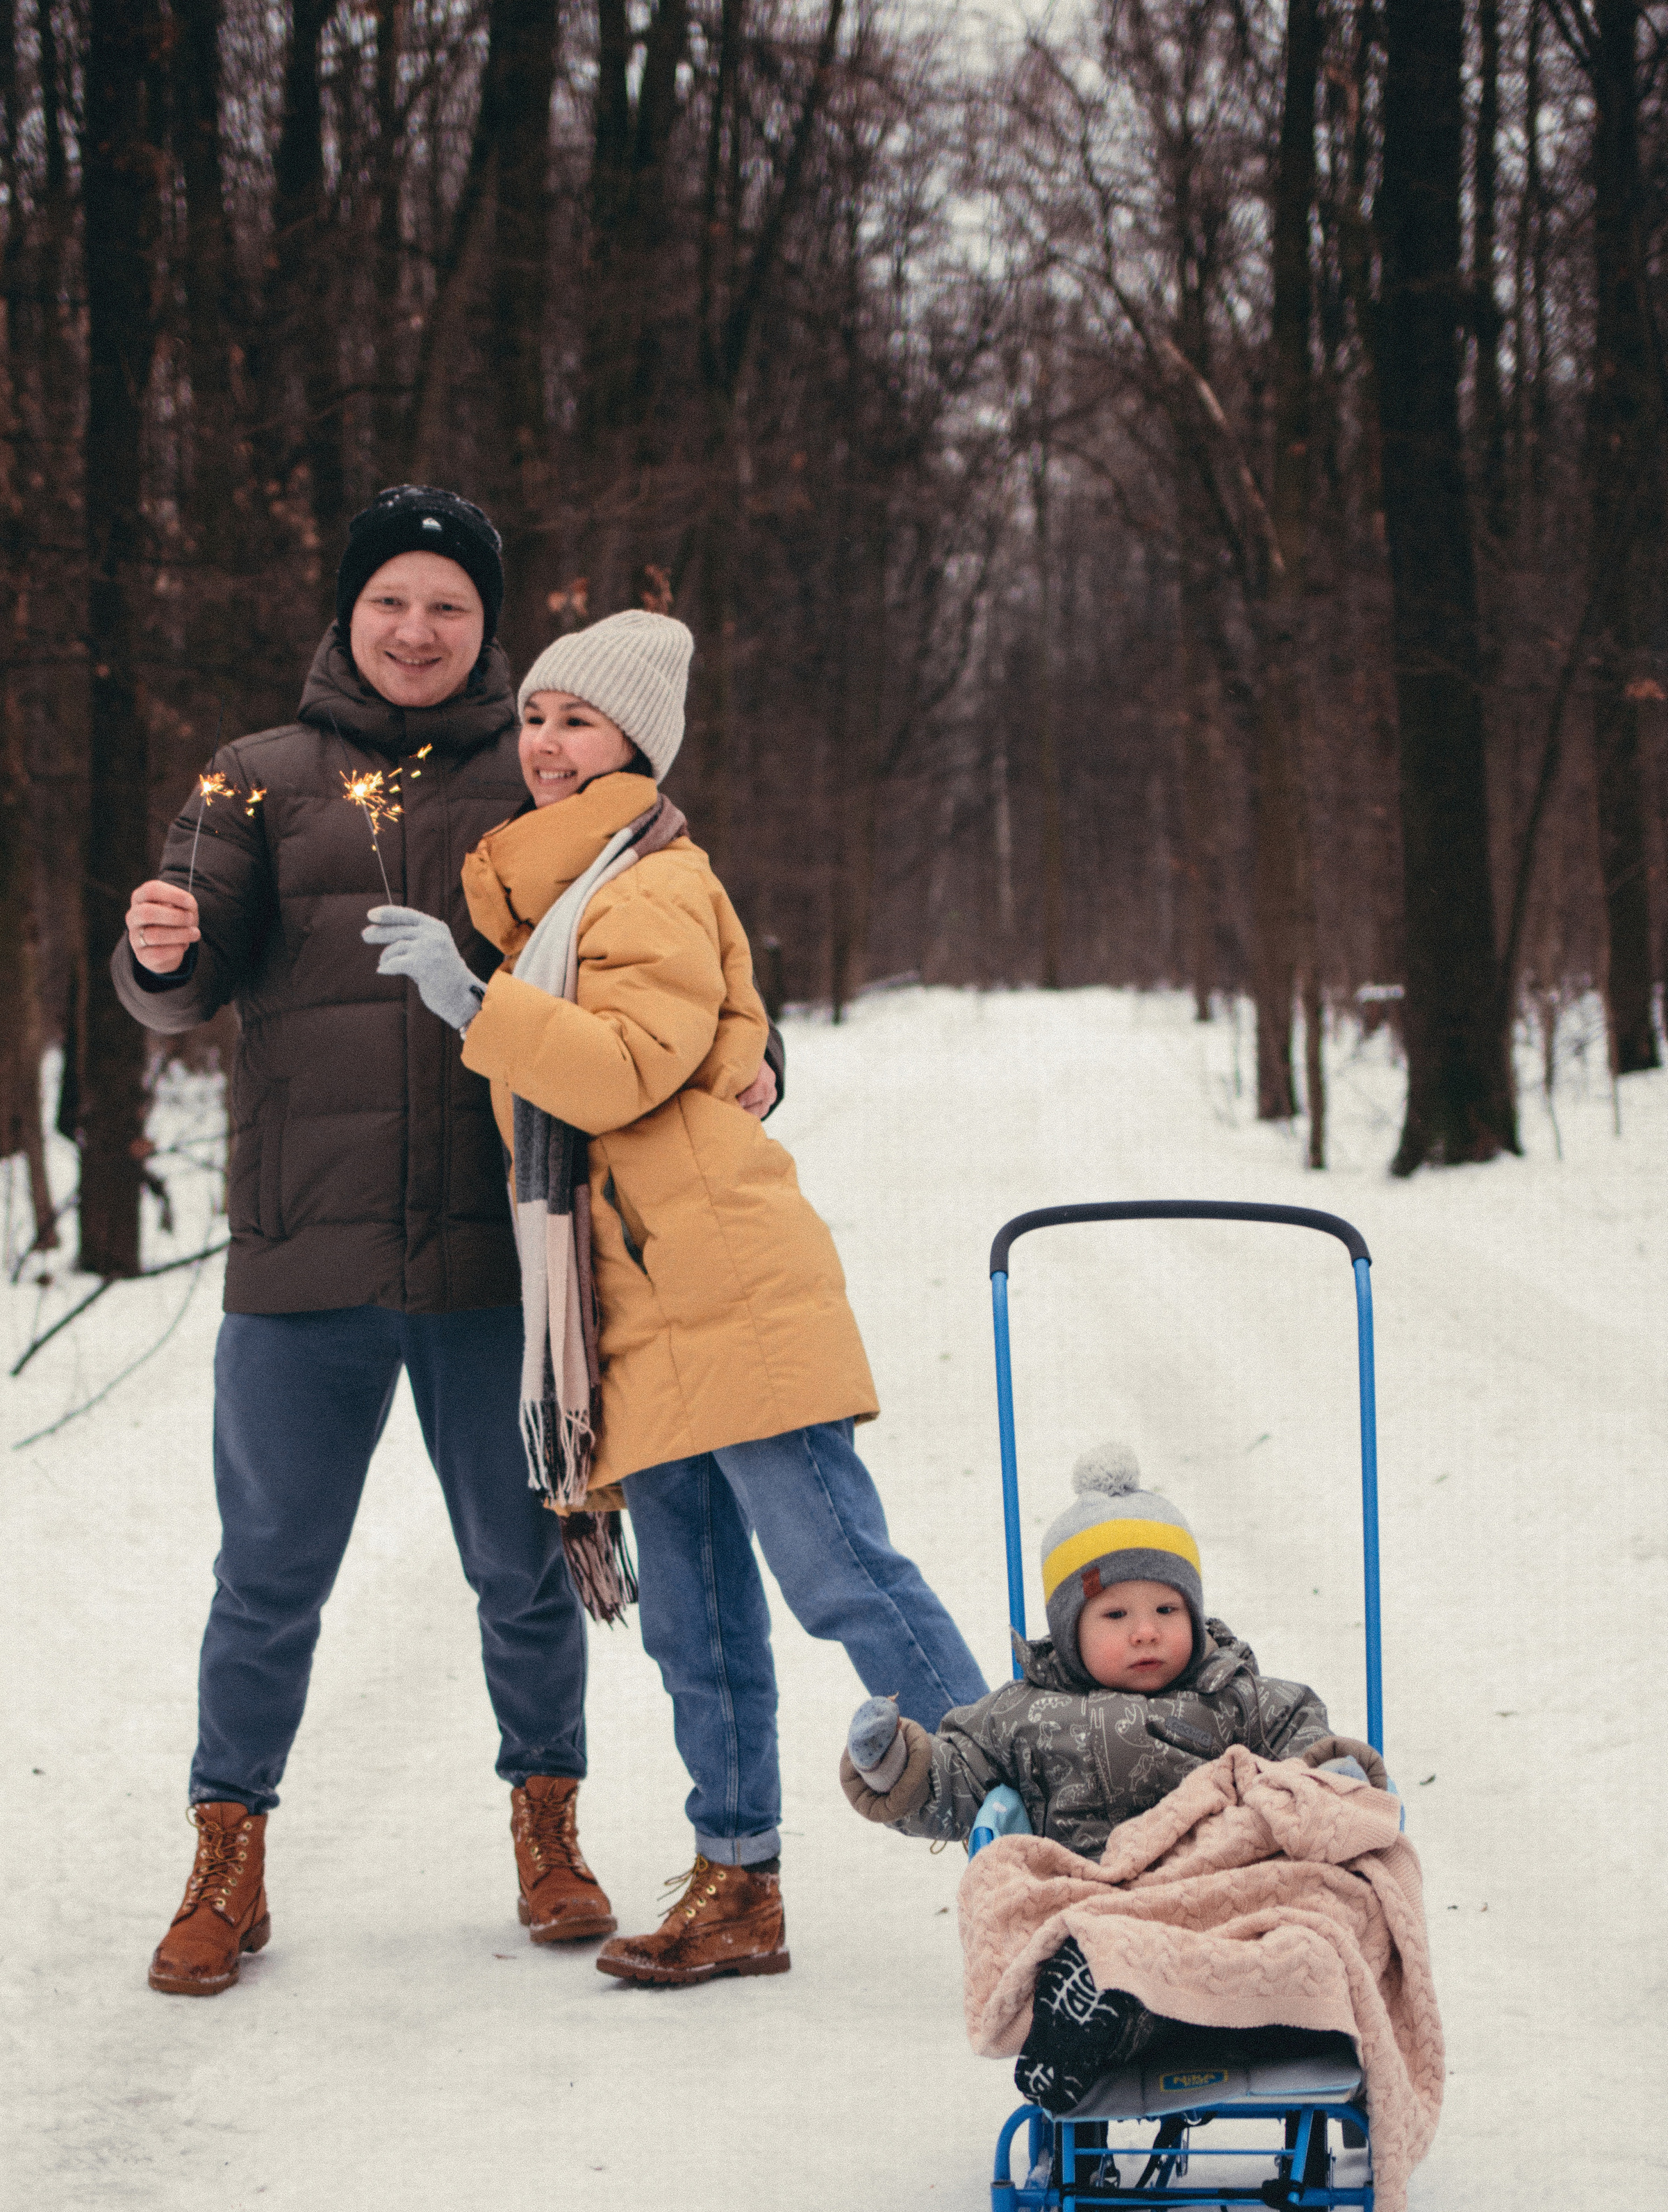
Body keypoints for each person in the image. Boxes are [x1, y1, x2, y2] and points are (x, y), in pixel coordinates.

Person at [115, 487, 779, 1999]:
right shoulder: (253, 779)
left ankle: (547, 1823)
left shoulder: (547, 772)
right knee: (269, 1569)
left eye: (450, 607)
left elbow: (681, 943)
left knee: (525, 1561)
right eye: (390, 602)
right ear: (346, 613)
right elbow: (182, 968)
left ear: (487, 628)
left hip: (501, 1253)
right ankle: (229, 1855)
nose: (416, 630)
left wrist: (751, 1053)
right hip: (303, 1248)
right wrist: (156, 956)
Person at [365, 606, 989, 1988]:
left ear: (634, 740)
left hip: (719, 1280)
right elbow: (722, 1039)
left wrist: (475, 1005)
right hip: (632, 1305)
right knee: (693, 1620)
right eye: (531, 715)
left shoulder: (643, 883)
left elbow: (630, 1067)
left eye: (574, 720)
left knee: (837, 1574)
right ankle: (737, 1882)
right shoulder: (568, 893)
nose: (541, 742)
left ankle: (1029, 1830)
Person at [839, 1444, 1385, 2106]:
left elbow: (1304, 1749)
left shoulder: (1240, 1696)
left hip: (1225, 1898)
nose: (1146, 1634)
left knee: (1321, 1915)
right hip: (1101, 1903)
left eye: (1166, 1611)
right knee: (1087, 1934)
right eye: (1116, 1616)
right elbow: (955, 1784)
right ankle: (1097, 2020)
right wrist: (898, 1763)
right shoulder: (1022, 1715)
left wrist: (1333, 1777)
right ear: (1070, 1631)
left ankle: (1302, 2019)